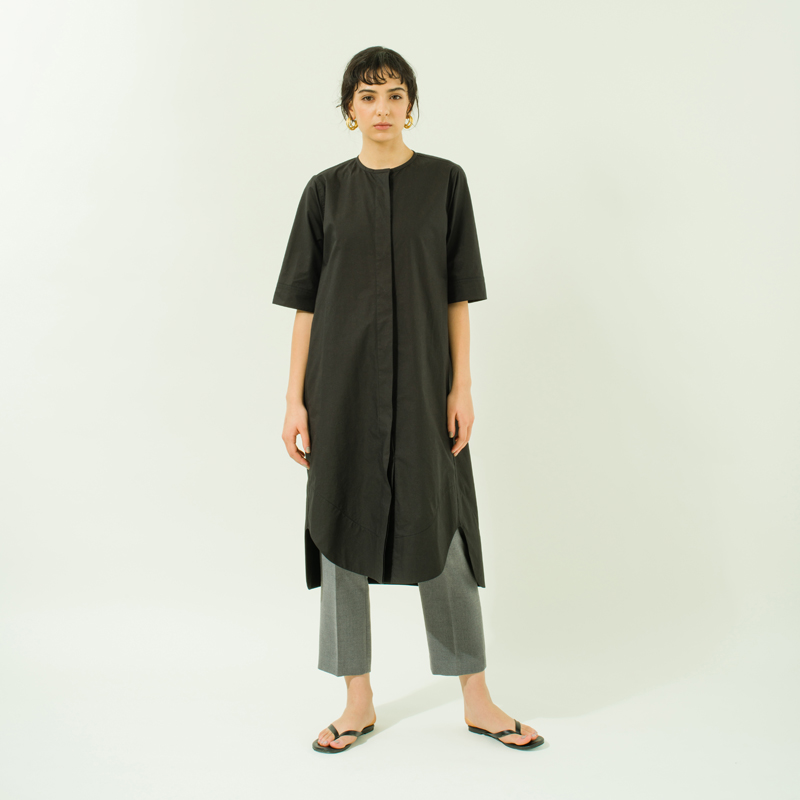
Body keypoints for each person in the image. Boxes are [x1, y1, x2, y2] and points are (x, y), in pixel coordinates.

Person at [273, 46, 544, 753]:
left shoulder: (446, 183)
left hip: (426, 387)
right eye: (368, 96)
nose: (382, 109)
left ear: (411, 106)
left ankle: (476, 697)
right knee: (338, 525)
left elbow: (457, 294)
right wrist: (295, 401)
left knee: (444, 525)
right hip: (340, 389)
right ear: (349, 110)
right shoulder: (323, 192)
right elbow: (305, 305)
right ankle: (356, 698)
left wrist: (462, 385)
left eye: (395, 95)